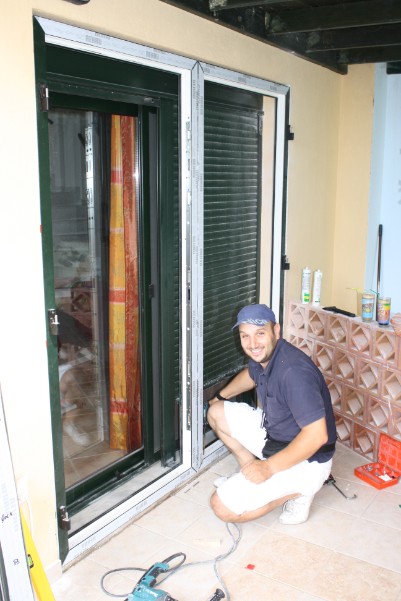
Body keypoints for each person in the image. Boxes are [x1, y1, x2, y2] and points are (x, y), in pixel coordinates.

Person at [207, 303, 336, 525]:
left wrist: (268, 467)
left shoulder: (294, 373)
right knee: (216, 413)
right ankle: (250, 472)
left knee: (223, 508)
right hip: (276, 437)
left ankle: (301, 492)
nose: (252, 344)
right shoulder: (265, 357)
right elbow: (251, 374)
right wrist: (220, 396)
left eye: (260, 334)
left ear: (276, 331)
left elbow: (317, 436)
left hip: (308, 458)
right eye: (245, 336)